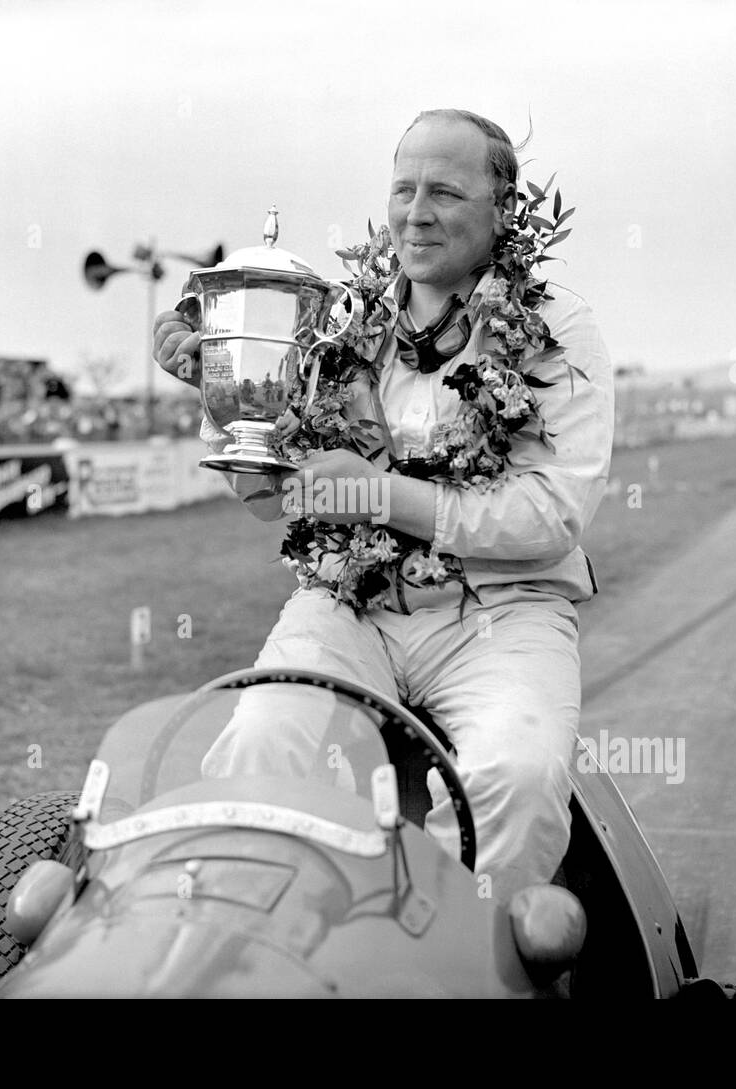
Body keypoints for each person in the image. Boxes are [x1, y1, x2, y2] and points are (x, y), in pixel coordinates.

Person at [152, 110, 614, 903]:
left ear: (505, 209)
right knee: (256, 744)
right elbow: (271, 499)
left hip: (503, 614)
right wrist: (224, 394)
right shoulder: (332, 322)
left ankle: (458, 970)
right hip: (351, 607)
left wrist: (374, 494)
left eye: (445, 190)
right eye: (403, 188)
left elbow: (551, 516)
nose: (416, 211)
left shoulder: (556, 329)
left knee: (517, 777)